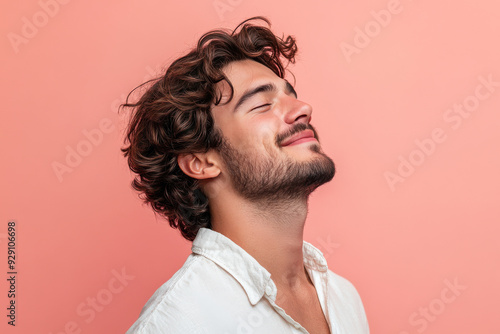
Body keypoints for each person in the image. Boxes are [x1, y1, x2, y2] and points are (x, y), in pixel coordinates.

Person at [122, 16, 369, 334]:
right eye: (263, 104)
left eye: (291, 95)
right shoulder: (178, 322)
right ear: (201, 162)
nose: (303, 108)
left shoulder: (343, 297)